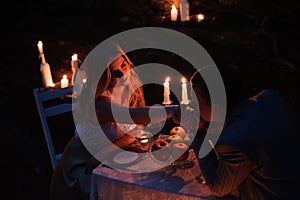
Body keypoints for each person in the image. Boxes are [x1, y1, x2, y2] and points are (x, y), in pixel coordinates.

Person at [49, 44, 180, 200]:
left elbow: (139, 127)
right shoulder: (99, 103)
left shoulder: (131, 83)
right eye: (114, 71)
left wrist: (107, 152)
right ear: (103, 76)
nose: (123, 73)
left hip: (113, 153)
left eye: (123, 65)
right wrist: (172, 110)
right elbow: (133, 116)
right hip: (84, 163)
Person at [189, 67, 300, 199]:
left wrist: (199, 134)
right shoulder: (268, 98)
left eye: (196, 102)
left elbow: (219, 187)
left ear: (216, 106)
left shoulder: (234, 143)